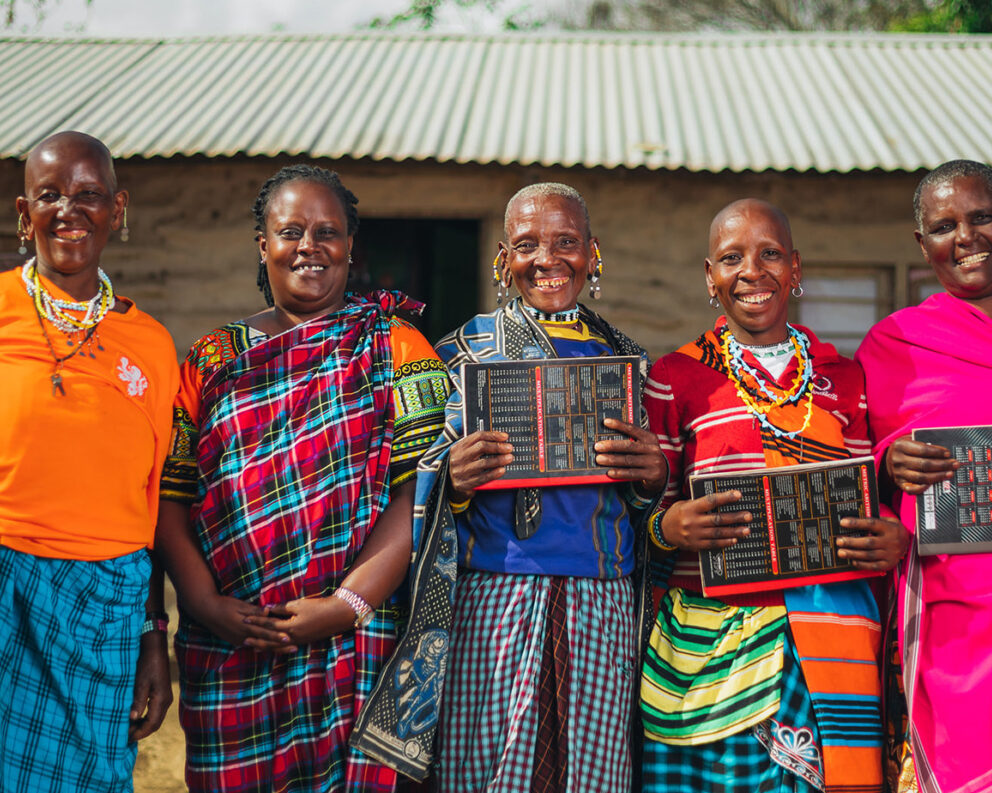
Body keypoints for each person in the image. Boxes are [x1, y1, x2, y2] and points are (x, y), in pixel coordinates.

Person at [362, 182, 668, 791]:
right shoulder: (462, 353)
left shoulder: (626, 362)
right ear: (503, 259)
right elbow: (416, 476)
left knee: (592, 774)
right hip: (493, 599)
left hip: (601, 604)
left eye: (566, 243)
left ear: (593, 254)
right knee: (486, 769)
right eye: (527, 245)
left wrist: (651, 475)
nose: (547, 259)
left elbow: (644, 503)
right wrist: (450, 475)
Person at [155, 164, 450, 793]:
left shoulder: (397, 347)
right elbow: (171, 497)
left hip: (361, 643)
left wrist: (346, 605)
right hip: (231, 645)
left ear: (351, 246)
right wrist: (205, 605)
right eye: (291, 231)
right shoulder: (211, 360)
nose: (309, 246)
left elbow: (420, 494)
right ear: (264, 246)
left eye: (328, 232)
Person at [639, 199, 907, 793]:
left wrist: (891, 535)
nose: (751, 272)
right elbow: (639, 510)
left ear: (795, 267)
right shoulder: (677, 377)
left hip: (835, 644)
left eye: (770, 254)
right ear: (709, 275)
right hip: (707, 654)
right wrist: (670, 526)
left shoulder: (846, 379)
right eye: (731, 258)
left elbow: (870, 493)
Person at [0, 131, 178, 791]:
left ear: (117, 210)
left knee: (91, 778)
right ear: (25, 213)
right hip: (3, 579)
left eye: (88, 195)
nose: (69, 210)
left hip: (105, 605)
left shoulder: (153, 346)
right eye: (50, 195)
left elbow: (156, 498)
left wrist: (154, 633)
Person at [855, 159, 992, 793]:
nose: (966, 237)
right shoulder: (897, 347)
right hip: (954, 622)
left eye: (983, 217)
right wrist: (888, 467)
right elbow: (854, 466)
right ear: (921, 244)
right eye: (945, 225)